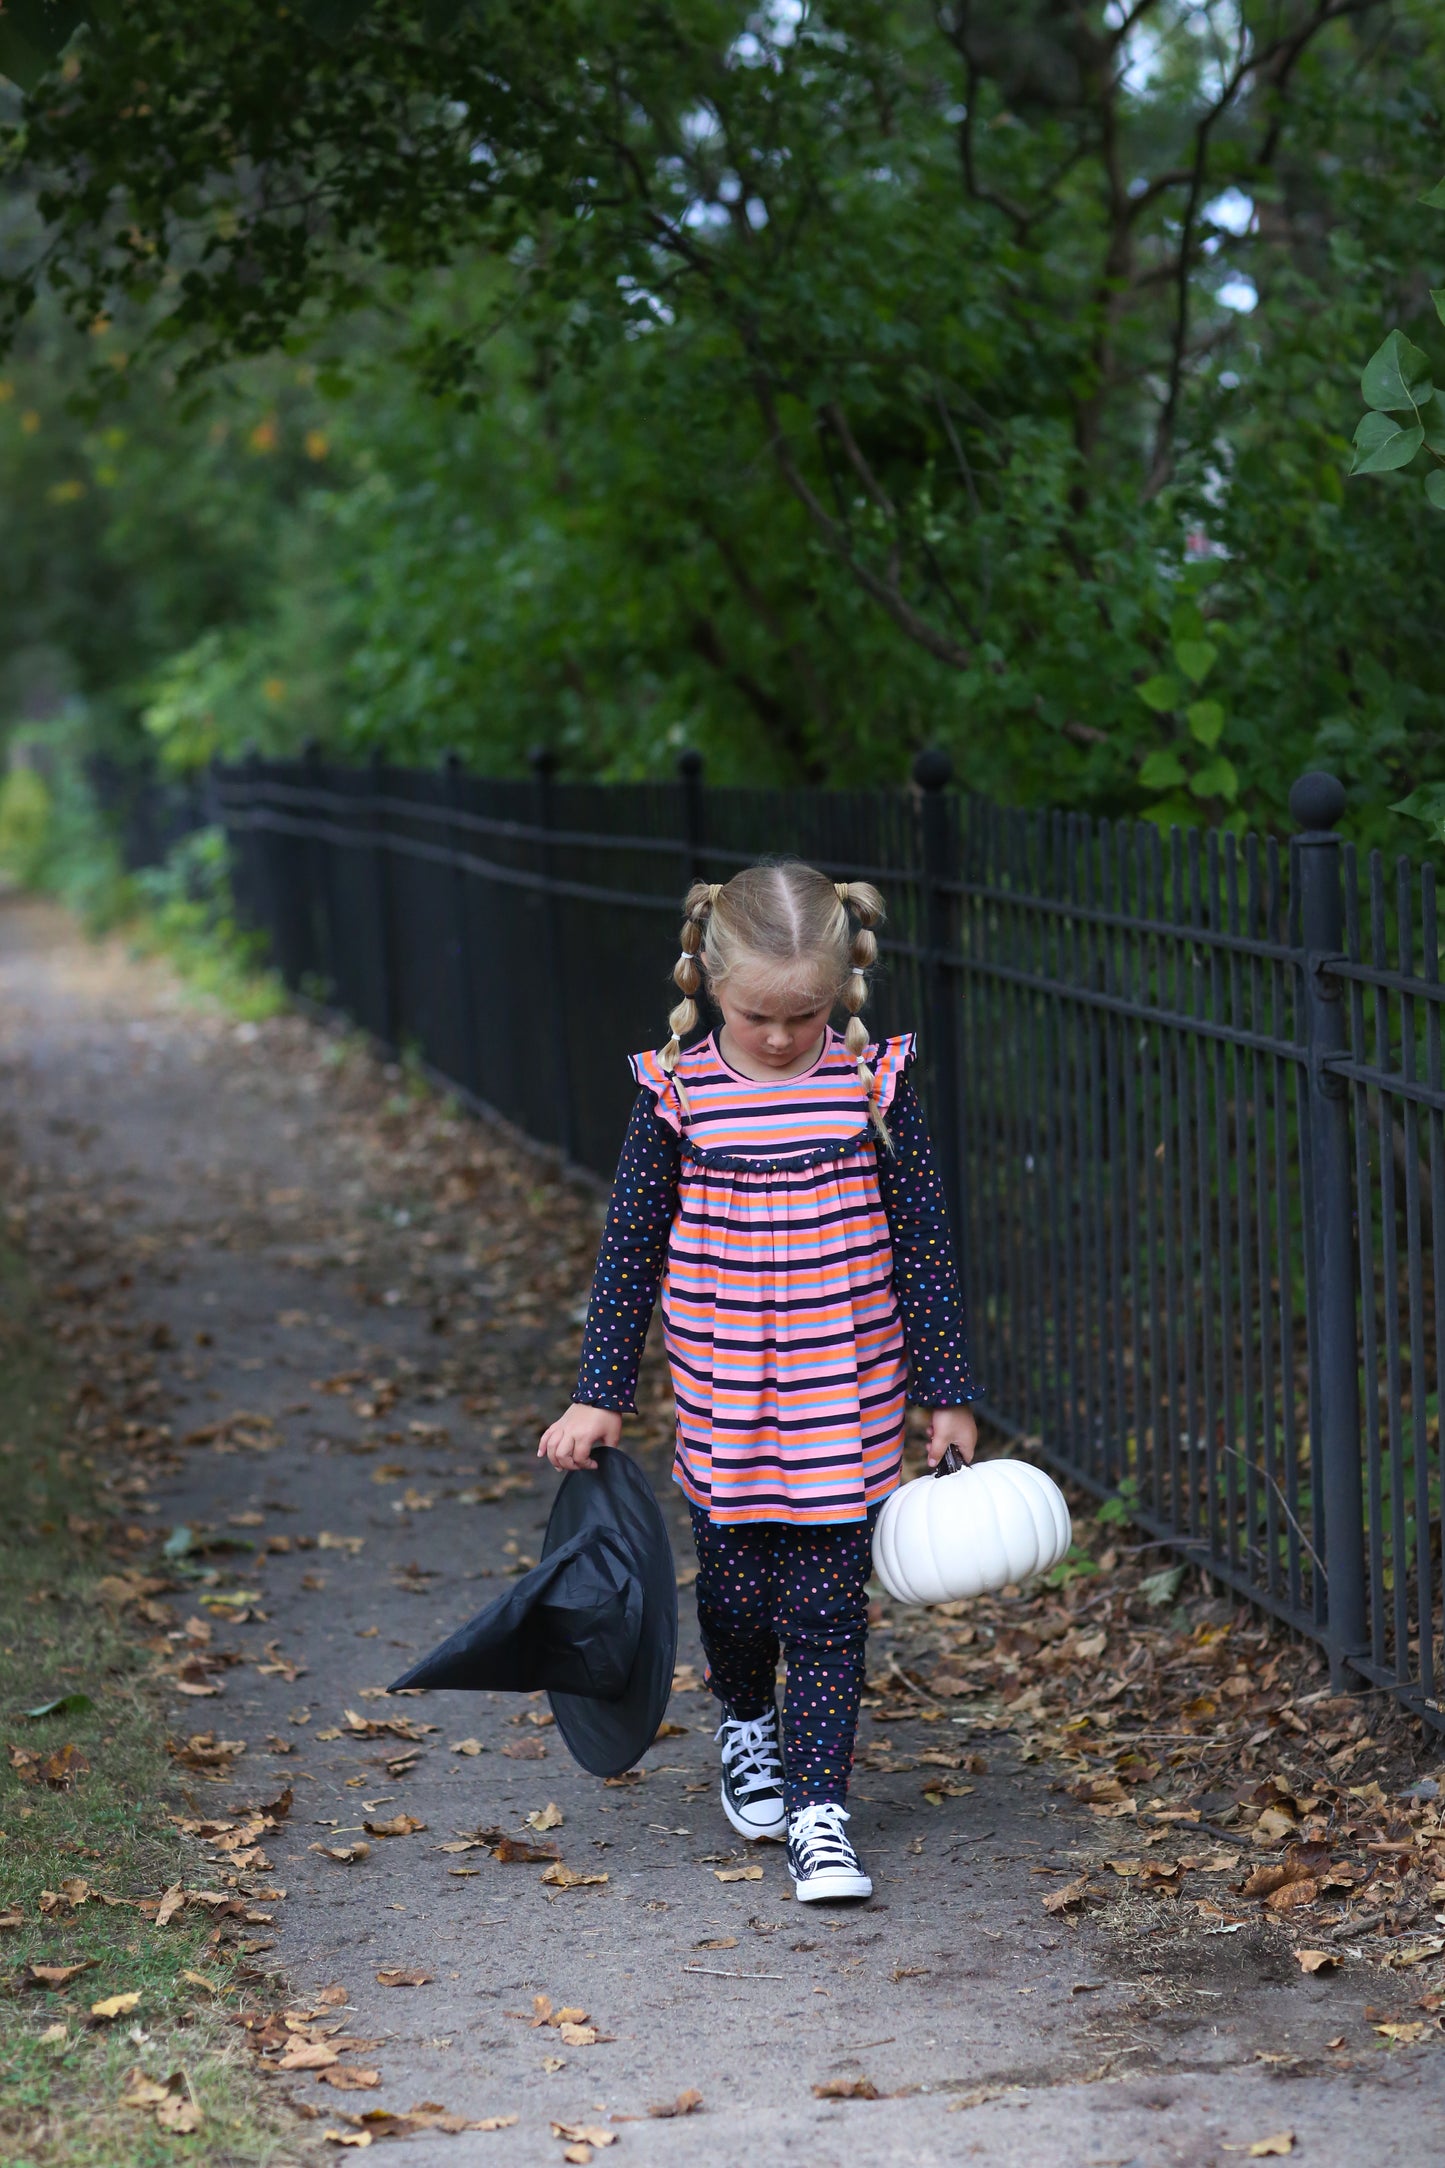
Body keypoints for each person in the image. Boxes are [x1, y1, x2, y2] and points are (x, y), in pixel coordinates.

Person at [538, 861, 978, 1902]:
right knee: (735, 1601)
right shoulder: (676, 1091)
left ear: (840, 990)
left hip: (846, 1393)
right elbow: (629, 1248)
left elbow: (923, 1245)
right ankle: (747, 1722)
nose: (781, 1035)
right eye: (757, 1015)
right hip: (724, 1398)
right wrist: (601, 1387)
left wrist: (945, 1389)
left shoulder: (874, 1087)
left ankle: (821, 1813)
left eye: (805, 1013)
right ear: (709, 985)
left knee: (827, 1607)